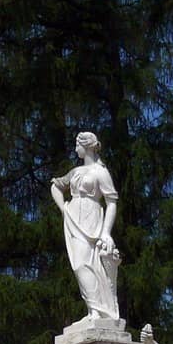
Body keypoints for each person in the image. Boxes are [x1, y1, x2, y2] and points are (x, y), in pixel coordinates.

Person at [50, 131, 121, 321]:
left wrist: (106, 232)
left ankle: (98, 310)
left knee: (88, 262)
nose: (75, 149)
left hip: (92, 217)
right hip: (73, 218)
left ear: (86, 146)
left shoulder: (100, 172)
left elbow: (111, 202)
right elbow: (55, 186)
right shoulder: (76, 171)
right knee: (79, 264)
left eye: (77, 145)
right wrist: (64, 210)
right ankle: (93, 309)